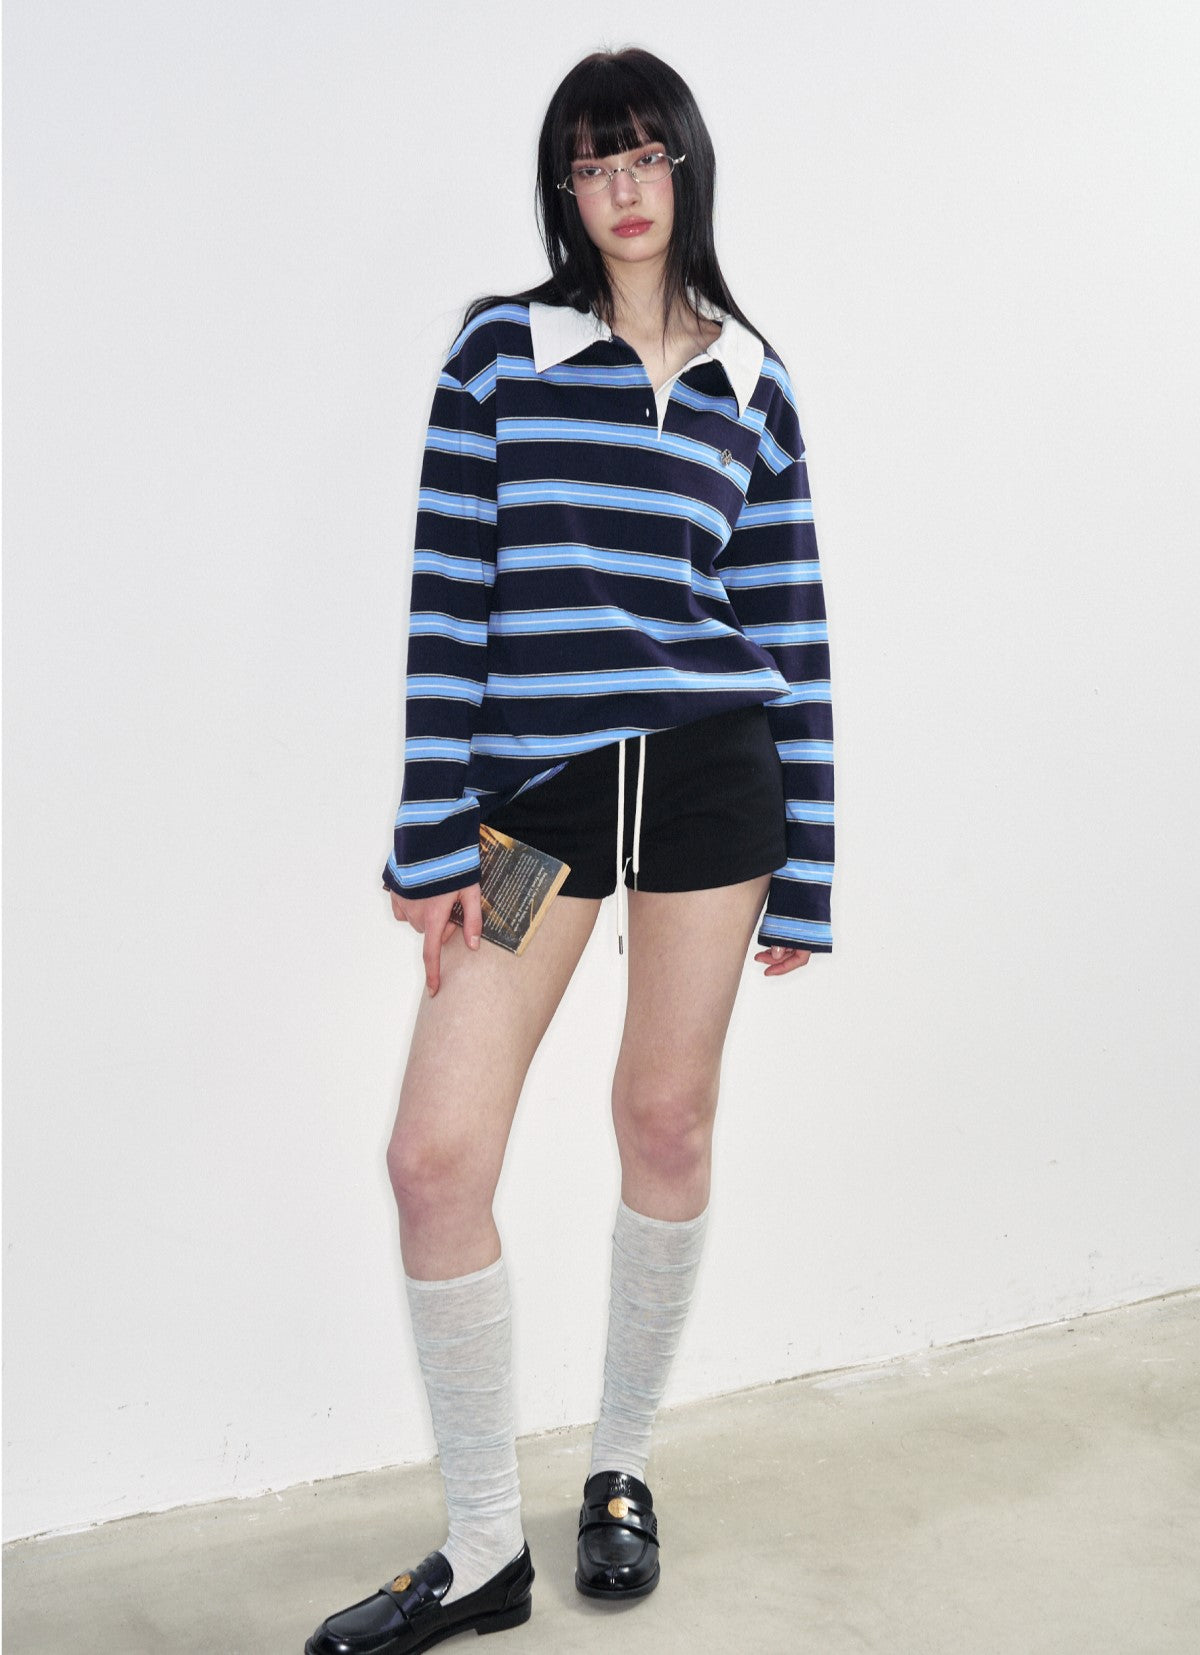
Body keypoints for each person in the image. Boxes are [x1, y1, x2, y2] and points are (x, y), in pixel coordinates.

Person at [305, 43, 834, 1655]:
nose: (620, 188)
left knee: (664, 1120)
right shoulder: (504, 352)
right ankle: (482, 1547)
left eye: (644, 155)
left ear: (687, 167)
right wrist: (430, 836)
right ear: (564, 190)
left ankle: (619, 1469)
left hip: (711, 790)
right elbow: (447, 595)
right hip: (532, 810)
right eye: (591, 163)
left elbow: (791, 634)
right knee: (435, 1157)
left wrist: (810, 867)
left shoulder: (752, 381)